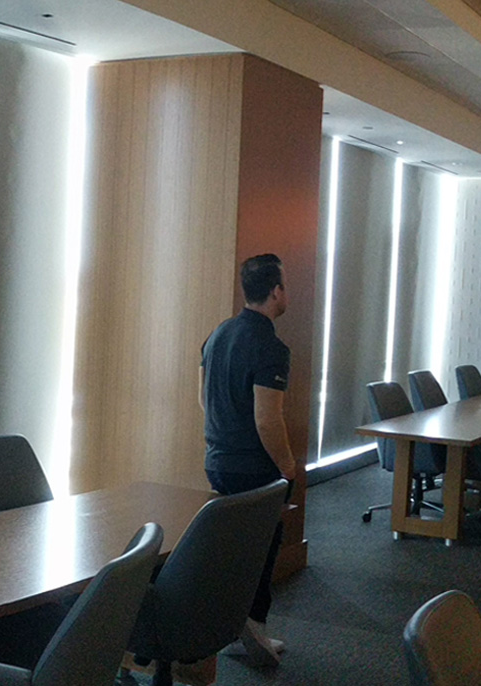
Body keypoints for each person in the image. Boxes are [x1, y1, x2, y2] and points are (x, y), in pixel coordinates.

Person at [200, 253, 299, 667]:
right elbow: (267, 418)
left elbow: (204, 401)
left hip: (217, 459)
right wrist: (288, 468)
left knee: (229, 549)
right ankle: (250, 630)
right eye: (285, 285)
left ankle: (224, 626)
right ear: (275, 292)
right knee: (261, 549)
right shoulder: (271, 348)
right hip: (253, 468)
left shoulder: (218, 335)